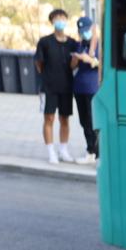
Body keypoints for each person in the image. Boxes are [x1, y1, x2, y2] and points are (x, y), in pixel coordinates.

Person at [34, 9, 79, 164]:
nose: (60, 20)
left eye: (62, 18)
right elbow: (39, 63)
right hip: (49, 87)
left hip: (66, 86)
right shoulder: (44, 42)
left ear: (66, 20)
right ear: (52, 21)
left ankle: (63, 150)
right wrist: (47, 77)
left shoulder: (72, 43)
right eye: (57, 18)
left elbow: (73, 65)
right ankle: (51, 151)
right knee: (49, 118)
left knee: (64, 119)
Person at [72, 16, 100, 165]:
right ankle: (90, 150)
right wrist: (76, 59)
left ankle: (97, 153)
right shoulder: (80, 45)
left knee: (93, 121)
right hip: (79, 88)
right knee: (84, 121)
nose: (84, 33)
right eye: (81, 31)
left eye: (87, 30)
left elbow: (102, 65)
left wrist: (89, 60)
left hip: (92, 88)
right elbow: (73, 66)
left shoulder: (99, 45)